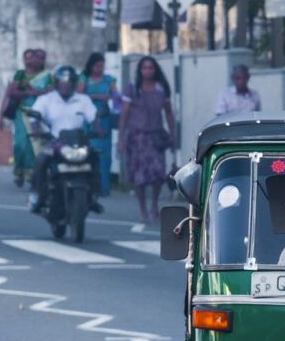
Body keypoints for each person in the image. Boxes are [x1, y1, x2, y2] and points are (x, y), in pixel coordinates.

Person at [27, 65, 104, 214]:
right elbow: (34, 116)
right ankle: (36, 194)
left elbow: (93, 117)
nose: (66, 85)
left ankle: (93, 196)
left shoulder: (83, 100)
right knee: (41, 160)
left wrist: (99, 129)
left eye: (69, 82)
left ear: (74, 83)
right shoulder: (46, 99)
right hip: (55, 140)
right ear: (56, 83)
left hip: (78, 141)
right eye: (62, 82)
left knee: (94, 158)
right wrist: (36, 131)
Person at [120, 55, 176, 226]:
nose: (148, 71)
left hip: (155, 136)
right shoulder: (133, 89)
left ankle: (154, 205)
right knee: (139, 177)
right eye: (144, 68)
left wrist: (173, 135)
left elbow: (168, 113)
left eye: (151, 68)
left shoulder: (161, 88)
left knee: (158, 173)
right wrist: (121, 138)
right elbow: (125, 115)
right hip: (137, 138)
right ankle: (143, 208)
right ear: (140, 71)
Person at [3, 49, 50, 188]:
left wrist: (38, 92)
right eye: (34, 58)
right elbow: (12, 92)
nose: (37, 61)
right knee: (20, 144)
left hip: (40, 115)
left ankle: (32, 175)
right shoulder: (21, 74)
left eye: (41, 58)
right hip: (22, 112)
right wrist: (28, 92)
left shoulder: (48, 76)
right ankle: (19, 171)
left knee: (35, 146)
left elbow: (51, 92)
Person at [81, 52, 119, 196]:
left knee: (104, 155)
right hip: (88, 120)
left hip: (104, 119)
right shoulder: (84, 79)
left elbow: (116, 96)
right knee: (87, 152)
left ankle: (103, 187)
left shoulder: (109, 80)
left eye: (102, 66)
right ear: (91, 66)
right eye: (97, 66)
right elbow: (79, 95)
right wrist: (98, 96)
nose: (100, 69)